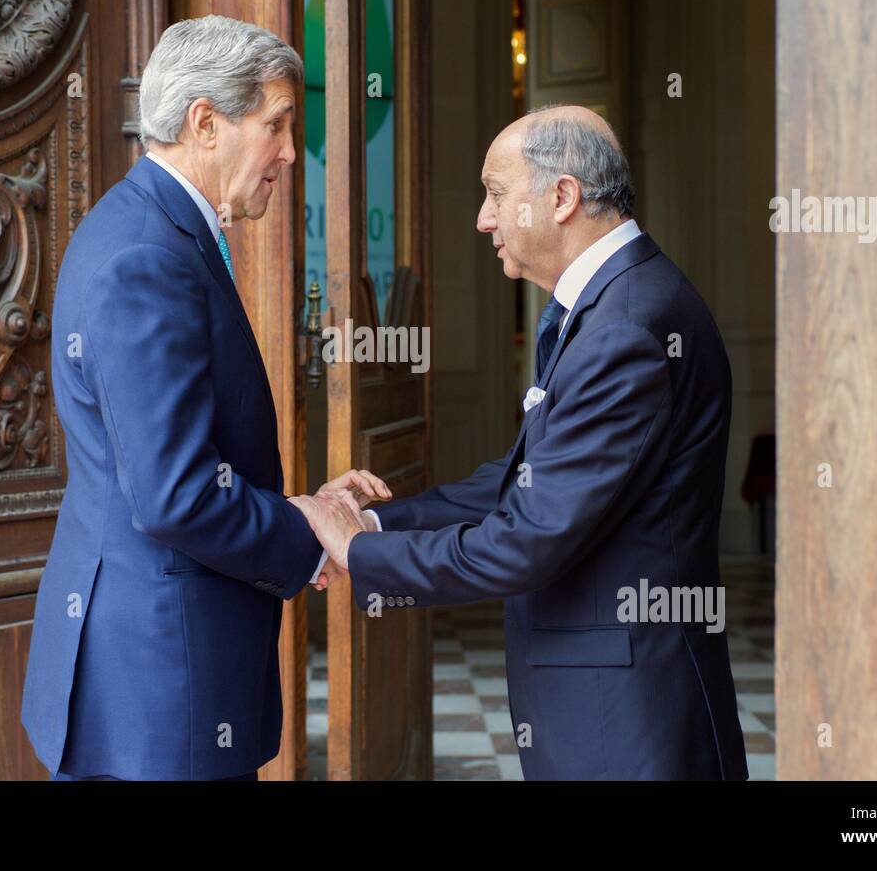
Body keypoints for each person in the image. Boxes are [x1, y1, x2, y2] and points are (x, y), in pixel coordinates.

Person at [292, 106, 748, 780]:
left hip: (627, 724)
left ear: (561, 198)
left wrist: (359, 549)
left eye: (497, 194)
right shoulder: (611, 304)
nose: (483, 217)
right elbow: (523, 477)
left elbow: (531, 536)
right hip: (608, 709)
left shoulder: (627, 326)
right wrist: (377, 520)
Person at [20, 14, 385, 781]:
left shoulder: (153, 229)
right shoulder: (147, 256)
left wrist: (300, 511)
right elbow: (176, 494)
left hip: (154, 679)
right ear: (205, 122)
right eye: (278, 124)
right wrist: (303, 526)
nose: (290, 151)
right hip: (160, 689)